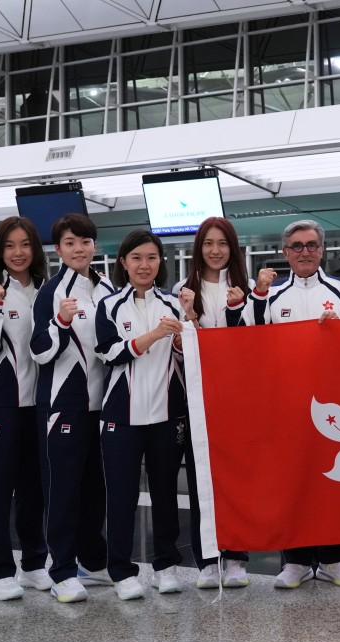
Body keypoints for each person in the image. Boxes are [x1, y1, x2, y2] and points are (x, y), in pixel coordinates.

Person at [240, 219, 340, 589]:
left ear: (322, 250)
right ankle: (294, 560)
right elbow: (249, 342)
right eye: (296, 246)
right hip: (288, 404)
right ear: (285, 253)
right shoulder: (270, 296)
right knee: (291, 481)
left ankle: (333, 559)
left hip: (334, 406)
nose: (304, 252)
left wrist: (339, 333)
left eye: (311, 245)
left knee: (332, 480)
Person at [96, 230, 187, 601]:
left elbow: (188, 354)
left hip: (168, 413)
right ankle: (121, 571)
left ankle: (166, 566)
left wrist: (182, 338)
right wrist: (153, 336)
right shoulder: (110, 306)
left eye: (151, 258)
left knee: (166, 494)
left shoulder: (176, 303)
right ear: (123, 263)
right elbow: (108, 353)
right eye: (136, 258)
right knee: (121, 496)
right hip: (122, 415)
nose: (144, 265)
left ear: (160, 263)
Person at [30, 213, 115, 603]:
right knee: (63, 490)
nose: (78, 249)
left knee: (96, 488)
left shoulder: (108, 287)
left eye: (84, 242)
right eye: (69, 243)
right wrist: (62, 321)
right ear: (58, 249)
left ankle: (93, 562)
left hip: (105, 406)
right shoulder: (51, 291)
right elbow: (40, 352)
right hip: (65, 406)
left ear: (94, 245)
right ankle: (62, 569)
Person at [0, 216, 51, 601]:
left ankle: (35, 564)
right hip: (0, 407)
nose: (18, 253)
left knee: (35, 492)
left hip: (39, 408)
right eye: (9, 246)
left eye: (25, 244)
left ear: (34, 249)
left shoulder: (47, 292)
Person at [175, 216, 250, 589]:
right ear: (198, 249)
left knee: (236, 478)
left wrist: (240, 308)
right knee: (199, 475)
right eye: (208, 243)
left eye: (222, 243)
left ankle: (236, 557)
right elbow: (180, 348)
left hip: (238, 400)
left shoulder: (247, 289)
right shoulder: (182, 289)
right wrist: (188, 315)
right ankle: (207, 559)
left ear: (232, 248)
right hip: (199, 398)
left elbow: (252, 346)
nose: (216, 251)